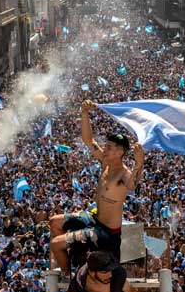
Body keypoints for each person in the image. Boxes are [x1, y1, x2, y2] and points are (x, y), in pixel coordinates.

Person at [48, 99, 145, 275]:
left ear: (120, 152)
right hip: (94, 220)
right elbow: (88, 140)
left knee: (56, 244)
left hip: (106, 232)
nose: (104, 149)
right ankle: (74, 256)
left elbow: (132, 185)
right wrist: (84, 112)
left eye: (109, 147)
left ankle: (68, 276)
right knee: (54, 222)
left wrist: (139, 163)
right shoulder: (105, 163)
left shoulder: (124, 174)